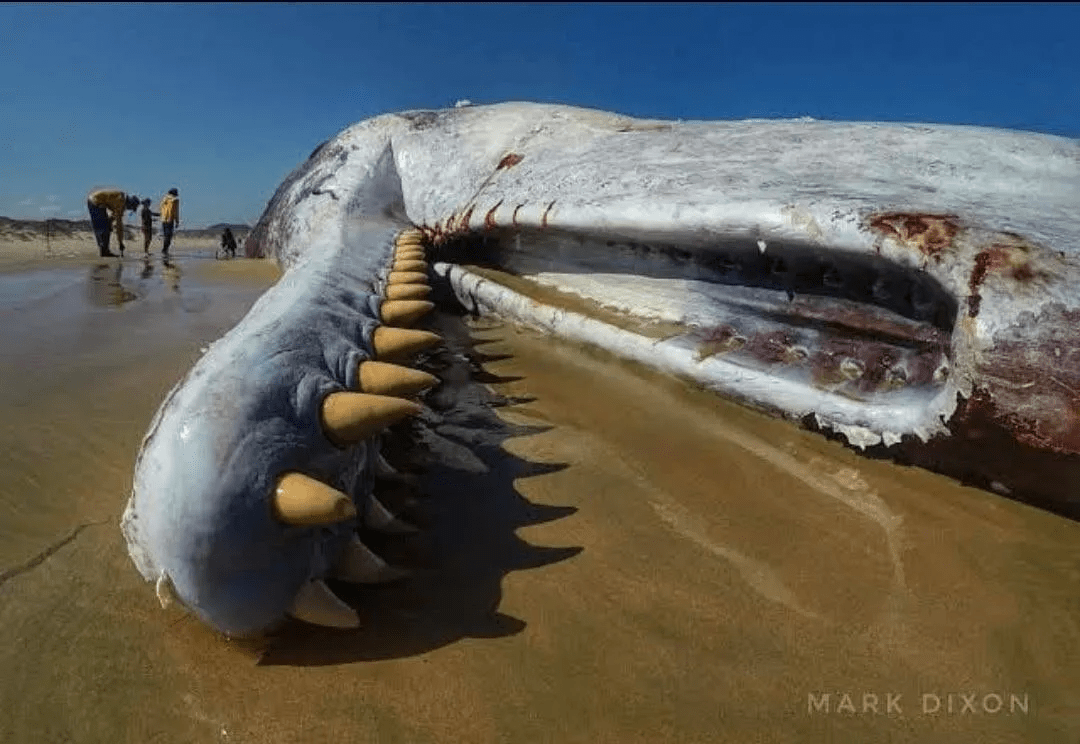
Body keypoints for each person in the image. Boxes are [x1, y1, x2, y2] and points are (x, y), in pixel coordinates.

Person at [87, 189, 140, 257]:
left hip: (99, 203)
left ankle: (104, 249)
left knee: (106, 226)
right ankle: (104, 251)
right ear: (130, 204)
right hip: (94, 201)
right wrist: (120, 243)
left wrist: (110, 222)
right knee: (102, 228)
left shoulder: (121, 201)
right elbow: (119, 226)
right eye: (131, 208)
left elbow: (113, 215)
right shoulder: (120, 202)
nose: (128, 209)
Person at [159, 188, 180, 255]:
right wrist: (176, 220)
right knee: (169, 236)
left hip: (163, 219)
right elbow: (174, 211)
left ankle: (164, 250)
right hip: (170, 219)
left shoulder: (164, 200)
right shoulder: (174, 200)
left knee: (166, 235)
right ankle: (165, 250)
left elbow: (161, 209)